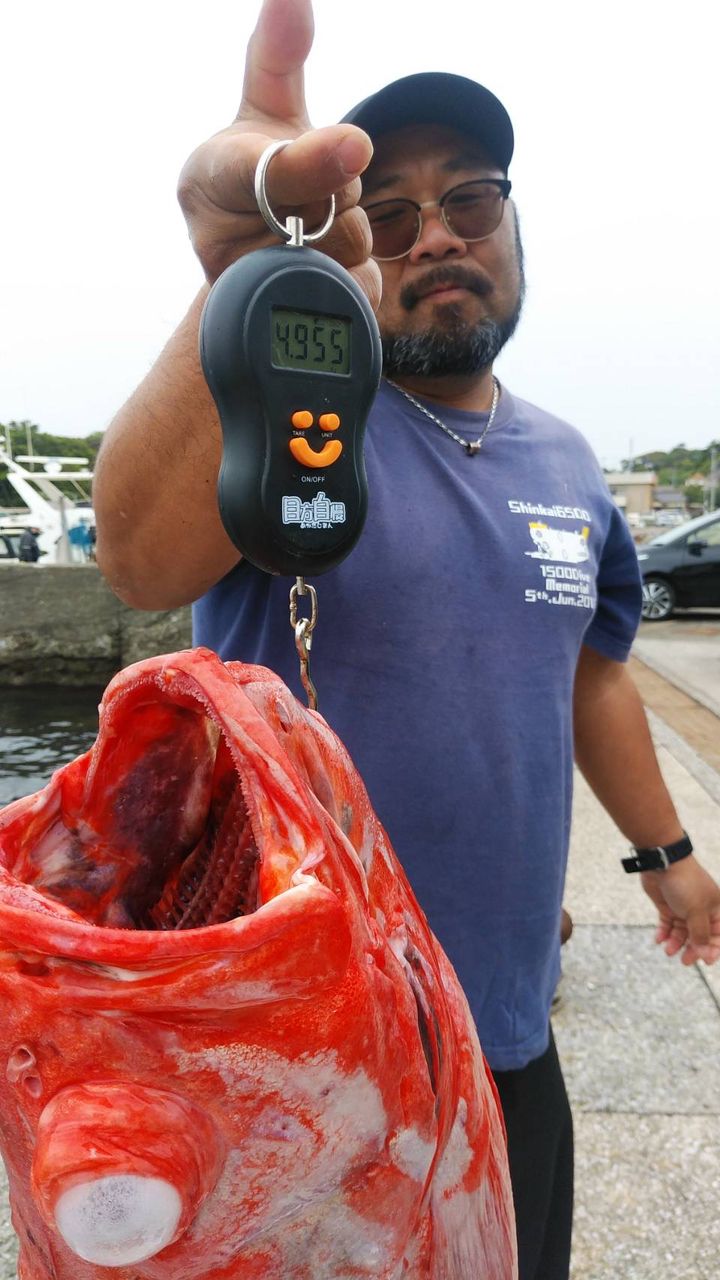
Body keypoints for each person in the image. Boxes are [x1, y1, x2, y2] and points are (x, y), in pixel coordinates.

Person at [92, 3, 720, 1276]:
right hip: (296, 1063)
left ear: (515, 228)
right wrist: (241, 277)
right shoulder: (298, 411)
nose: (435, 235)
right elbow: (138, 555)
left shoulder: (571, 462)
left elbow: (590, 676)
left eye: (472, 202)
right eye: (388, 212)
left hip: (504, 1032)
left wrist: (667, 853)